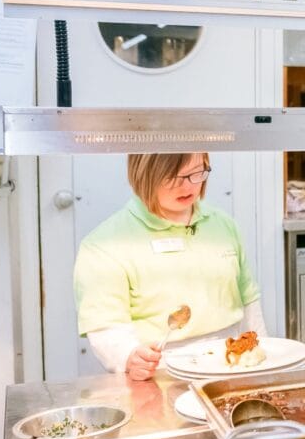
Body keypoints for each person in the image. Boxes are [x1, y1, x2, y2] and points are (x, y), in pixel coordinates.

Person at [73, 153, 266, 381]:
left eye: (196, 173)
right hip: (163, 373)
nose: (187, 186)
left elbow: (249, 303)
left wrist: (262, 360)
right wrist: (129, 356)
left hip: (232, 365)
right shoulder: (104, 244)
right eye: (173, 177)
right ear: (144, 174)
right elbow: (106, 326)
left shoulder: (223, 226)